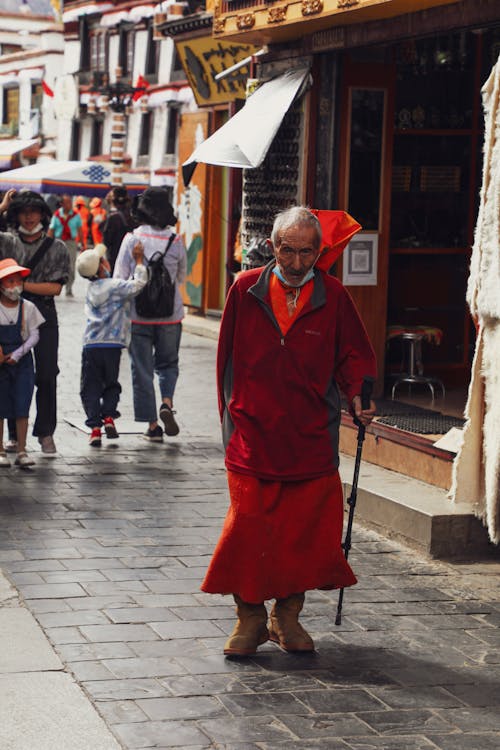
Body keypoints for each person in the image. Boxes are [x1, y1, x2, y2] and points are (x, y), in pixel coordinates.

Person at [201, 206, 377, 657]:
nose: (296, 263)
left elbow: (353, 355)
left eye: (306, 253)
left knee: (303, 533)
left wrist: (358, 394)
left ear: (319, 251)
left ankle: (287, 616)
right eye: (287, 251)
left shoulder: (333, 295)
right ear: (270, 247)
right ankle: (250, 617)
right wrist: (231, 416)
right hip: (253, 432)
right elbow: (226, 363)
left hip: (310, 433)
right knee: (247, 527)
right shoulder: (245, 289)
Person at [113, 187, 187, 442]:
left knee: (142, 368)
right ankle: (166, 402)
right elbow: (181, 276)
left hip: (138, 315)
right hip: (171, 315)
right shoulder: (175, 240)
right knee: (167, 364)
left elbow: (119, 279)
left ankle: (153, 426)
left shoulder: (132, 239)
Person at [5, 191, 70, 456]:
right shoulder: (7, 243)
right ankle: (12, 435)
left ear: (43, 214)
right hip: (10, 314)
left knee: (46, 374)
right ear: (16, 215)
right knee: (9, 373)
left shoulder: (57, 248)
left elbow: (54, 288)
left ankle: (45, 432)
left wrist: (18, 285)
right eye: (23, 211)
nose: (29, 217)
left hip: (43, 315)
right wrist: (2, 206)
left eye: (34, 211)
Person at [77, 241, 148, 447]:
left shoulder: (90, 290)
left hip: (91, 345)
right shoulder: (115, 286)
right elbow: (138, 284)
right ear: (101, 267)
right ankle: (108, 416)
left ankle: (95, 428)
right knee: (111, 383)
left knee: (89, 387)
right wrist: (139, 262)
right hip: (113, 346)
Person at [0, 258, 45, 468]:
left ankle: (22, 449)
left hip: (23, 364)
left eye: (17, 281)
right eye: (9, 282)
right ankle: (0, 450)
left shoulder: (28, 307)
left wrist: (17, 354)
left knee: (22, 406)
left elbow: (34, 336)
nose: (14, 286)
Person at [48, 193, 82, 297]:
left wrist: (82, 244)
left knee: (71, 266)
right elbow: (51, 229)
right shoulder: (57, 215)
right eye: (67, 203)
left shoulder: (76, 215)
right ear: (62, 204)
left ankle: (69, 288)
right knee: (55, 265)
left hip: (71, 242)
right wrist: (48, 243)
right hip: (58, 241)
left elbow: (80, 230)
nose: (69, 205)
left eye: (70, 203)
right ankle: (54, 287)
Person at [102, 187, 133, 273]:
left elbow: (106, 242)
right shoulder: (133, 216)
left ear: (114, 199)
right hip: (131, 258)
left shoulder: (113, 218)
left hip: (115, 259)